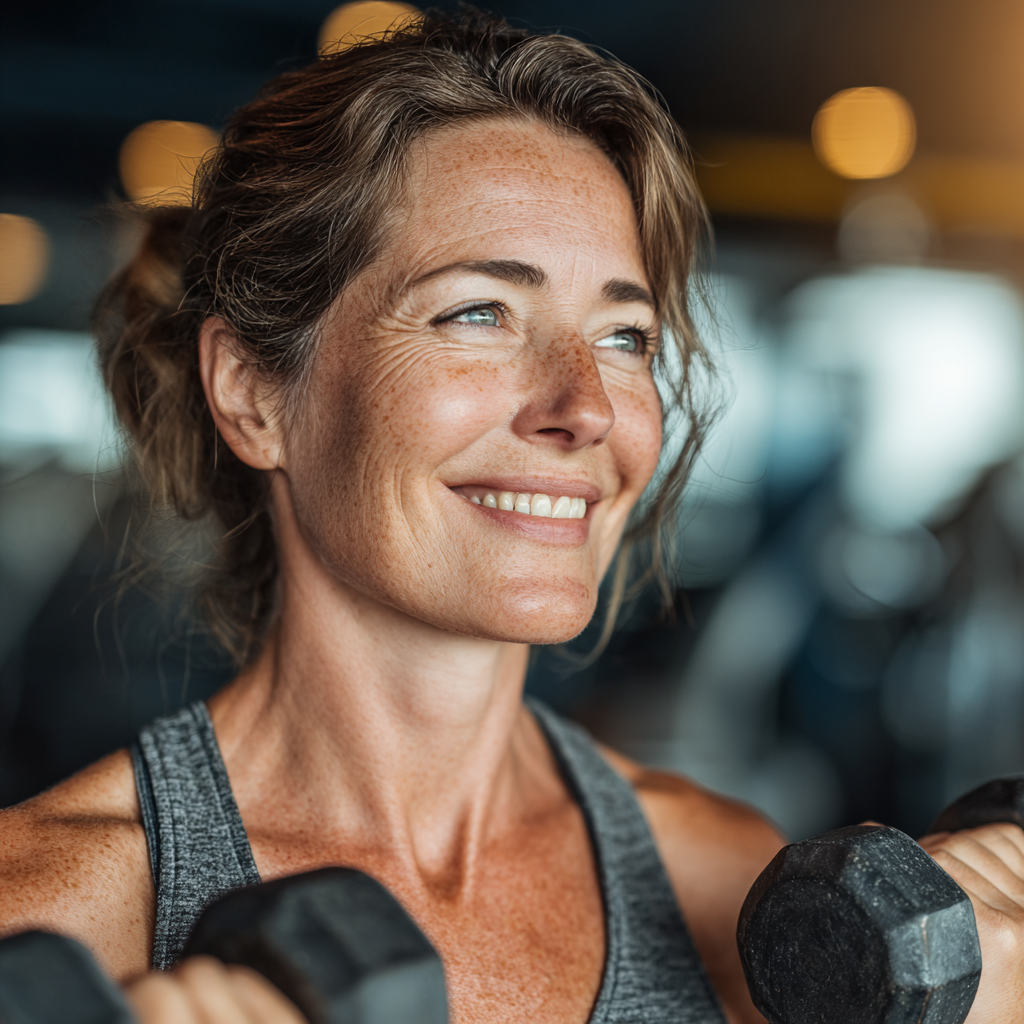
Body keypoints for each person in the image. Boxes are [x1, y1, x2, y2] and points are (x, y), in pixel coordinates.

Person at [2, 10, 1022, 1024]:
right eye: (477, 313)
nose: (582, 406)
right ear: (252, 395)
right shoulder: (44, 918)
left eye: (623, 336)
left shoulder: (736, 888)